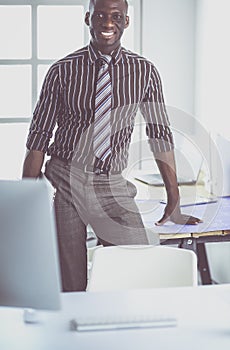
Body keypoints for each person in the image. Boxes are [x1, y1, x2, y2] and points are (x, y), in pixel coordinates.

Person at [22, 0, 201, 292]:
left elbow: (160, 134)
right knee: (71, 284)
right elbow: (38, 140)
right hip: (67, 179)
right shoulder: (61, 71)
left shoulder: (144, 71)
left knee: (138, 274)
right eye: (101, 16)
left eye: (116, 16)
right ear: (87, 19)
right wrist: (25, 206)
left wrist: (174, 198)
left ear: (126, 21)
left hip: (112, 184)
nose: (108, 23)